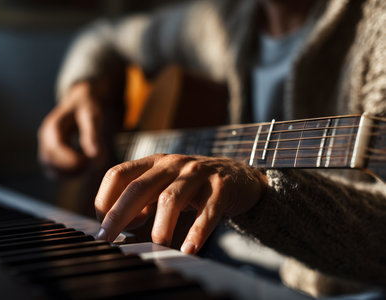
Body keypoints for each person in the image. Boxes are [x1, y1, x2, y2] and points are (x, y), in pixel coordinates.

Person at [38, 0, 386, 297]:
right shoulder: (222, 20)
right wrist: (82, 89)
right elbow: (103, 38)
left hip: (325, 287)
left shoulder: (376, 29)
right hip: (211, 257)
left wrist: (261, 193)